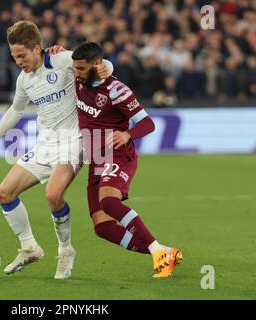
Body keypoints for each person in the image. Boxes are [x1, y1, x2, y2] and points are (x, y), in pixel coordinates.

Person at [0, 21, 114, 279]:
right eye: (14, 56)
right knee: (4, 193)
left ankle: (65, 251)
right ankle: (29, 248)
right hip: (45, 145)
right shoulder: (24, 79)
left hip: (73, 142)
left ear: (36, 48)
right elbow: (16, 110)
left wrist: (107, 67)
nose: (18, 61)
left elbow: (96, 63)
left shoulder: (60, 60)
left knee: (52, 196)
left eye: (21, 55)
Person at [71, 42, 182, 278]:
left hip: (119, 154)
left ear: (96, 65)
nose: (76, 73)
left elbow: (148, 123)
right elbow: (56, 60)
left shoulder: (116, 90)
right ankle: (163, 252)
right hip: (97, 158)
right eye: (75, 68)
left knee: (109, 202)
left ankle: (158, 252)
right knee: (102, 228)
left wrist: (127, 134)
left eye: (81, 69)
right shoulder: (79, 80)